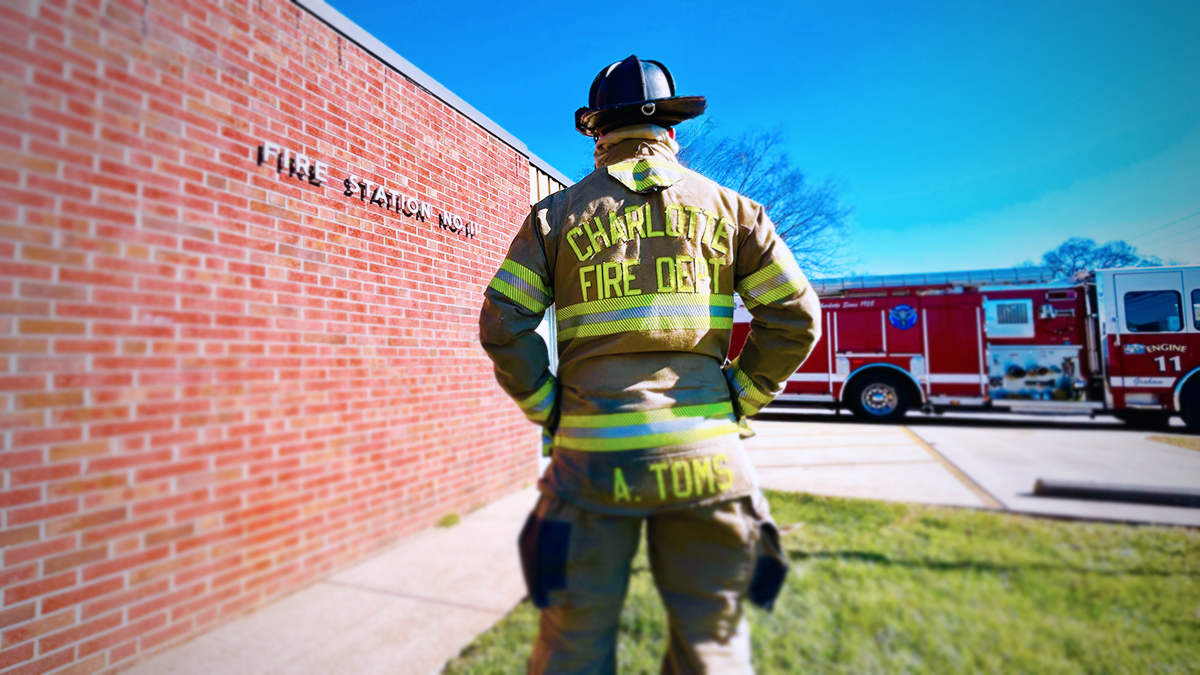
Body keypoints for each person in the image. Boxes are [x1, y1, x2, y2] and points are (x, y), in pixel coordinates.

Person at [479, 55, 821, 674]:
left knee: (571, 645)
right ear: (671, 134)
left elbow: (503, 324)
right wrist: (740, 395)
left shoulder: (555, 219)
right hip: (710, 462)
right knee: (712, 646)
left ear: (598, 137)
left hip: (589, 466)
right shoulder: (736, 212)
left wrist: (548, 409)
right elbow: (795, 318)